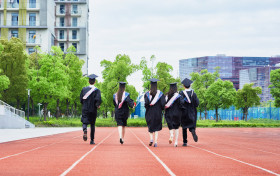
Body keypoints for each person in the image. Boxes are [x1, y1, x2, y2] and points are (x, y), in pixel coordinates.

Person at [80, 74, 102, 145]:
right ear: (94, 82)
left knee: (84, 121)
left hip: (85, 108)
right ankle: (92, 140)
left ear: (88, 82)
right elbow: (98, 99)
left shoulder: (84, 89)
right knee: (92, 124)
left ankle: (85, 129)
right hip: (93, 109)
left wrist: (84, 104)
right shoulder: (97, 90)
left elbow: (81, 99)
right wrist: (97, 105)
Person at [144, 78, 166, 147]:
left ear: (150, 85)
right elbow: (163, 104)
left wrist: (148, 107)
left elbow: (146, 104)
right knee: (156, 127)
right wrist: (162, 108)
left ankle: (151, 139)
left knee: (150, 125)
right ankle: (156, 142)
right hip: (157, 112)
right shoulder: (160, 94)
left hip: (149, 112)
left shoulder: (147, 94)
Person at [179, 78, 199, 147]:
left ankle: (185, 142)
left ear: (184, 86)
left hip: (184, 113)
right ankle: (192, 131)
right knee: (191, 125)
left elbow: (180, 103)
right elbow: (197, 104)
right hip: (192, 112)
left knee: (184, 127)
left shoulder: (181, 93)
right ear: (190, 85)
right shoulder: (194, 94)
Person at [165, 83, 182, 147]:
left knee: (170, 126)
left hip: (169, 113)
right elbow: (181, 104)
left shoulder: (167, 95)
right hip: (177, 113)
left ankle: (171, 135)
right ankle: (176, 142)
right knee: (177, 127)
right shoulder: (178, 96)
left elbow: (165, 104)